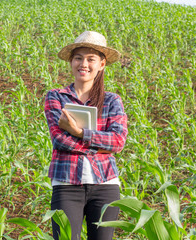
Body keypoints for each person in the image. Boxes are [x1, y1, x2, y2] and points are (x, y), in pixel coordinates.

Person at [44, 31, 128, 240]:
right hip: (66, 186)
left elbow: (118, 141)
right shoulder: (57, 97)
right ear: (71, 62)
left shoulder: (111, 101)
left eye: (91, 59)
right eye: (79, 58)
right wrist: (101, 147)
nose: (84, 64)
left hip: (105, 185)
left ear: (102, 64)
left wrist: (78, 132)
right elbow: (59, 140)